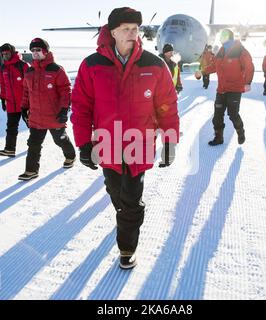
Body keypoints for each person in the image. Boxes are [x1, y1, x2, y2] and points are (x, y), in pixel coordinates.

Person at [71, 7, 179, 269]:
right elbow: (81, 107)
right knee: (115, 191)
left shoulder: (154, 64)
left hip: (139, 146)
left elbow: (167, 105)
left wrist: (170, 141)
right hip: (106, 145)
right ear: (113, 32)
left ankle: (127, 247)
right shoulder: (92, 65)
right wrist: (84, 143)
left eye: (136, 29)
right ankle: (127, 214)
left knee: (130, 201)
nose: (133, 33)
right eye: (126, 29)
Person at [19, 38, 76, 181]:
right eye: (33, 51)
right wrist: (24, 107)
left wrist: (64, 110)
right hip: (36, 117)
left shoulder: (56, 70)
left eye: (38, 50)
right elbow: (26, 92)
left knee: (60, 140)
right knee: (33, 144)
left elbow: (66, 91)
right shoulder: (30, 71)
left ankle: (70, 156)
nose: (35, 53)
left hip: (54, 116)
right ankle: (31, 171)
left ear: (45, 51)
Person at [202, 28, 254, 146]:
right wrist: (203, 71)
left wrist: (247, 82)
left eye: (223, 36)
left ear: (229, 37)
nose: (221, 38)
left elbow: (249, 66)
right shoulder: (221, 51)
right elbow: (214, 65)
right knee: (217, 117)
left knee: (233, 114)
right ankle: (218, 138)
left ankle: (240, 132)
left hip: (234, 89)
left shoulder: (240, 50)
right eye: (221, 36)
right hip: (221, 90)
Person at [0, 43, 29, 157]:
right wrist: (2, 99)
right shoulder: (3, 68)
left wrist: (30, 102)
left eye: (7, 53)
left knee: (32, 126)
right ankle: (10, 149)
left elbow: (31, 85)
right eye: (3, 54)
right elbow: (3, 85)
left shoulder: (23, 66)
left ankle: (34, 146)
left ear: (12, 52)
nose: (5, 55)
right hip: (11, 103)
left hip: (25, 104)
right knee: (11, 127)